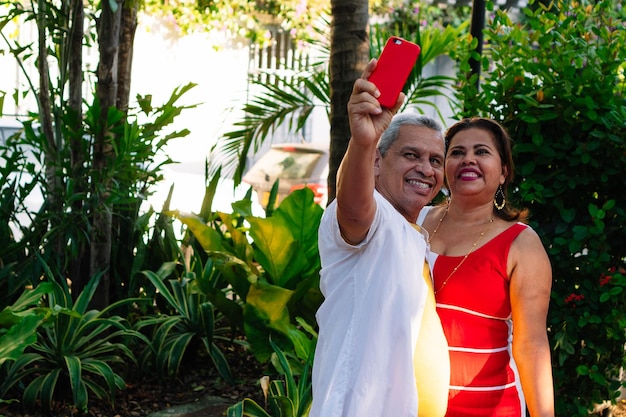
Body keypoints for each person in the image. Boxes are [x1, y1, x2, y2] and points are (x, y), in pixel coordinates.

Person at [309, 58, 450, 417]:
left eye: (436, 160)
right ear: (376, 163)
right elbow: (354, 206)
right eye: (411, 155)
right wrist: (362, 141)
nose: (426, 168)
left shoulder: (414, 232)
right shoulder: (374, 218)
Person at [417, 117, 555, 417]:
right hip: (409, 402)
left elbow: (531, 345)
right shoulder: (413, 223)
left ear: (503, 172)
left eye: (481, 151)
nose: (468, 159)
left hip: (490, 406)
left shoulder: (521, 243)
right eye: (456, 152)